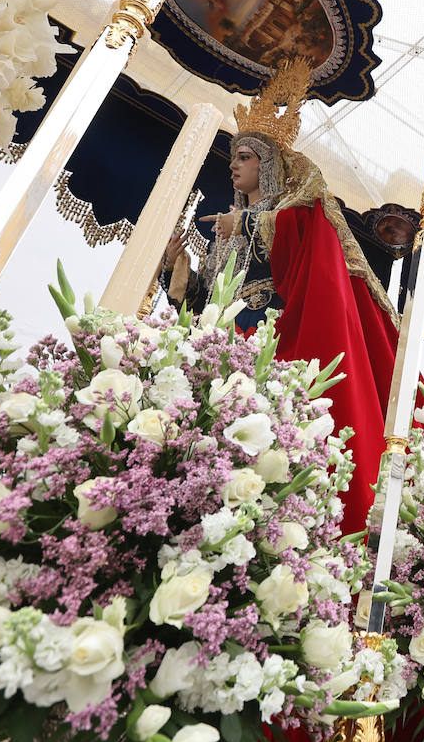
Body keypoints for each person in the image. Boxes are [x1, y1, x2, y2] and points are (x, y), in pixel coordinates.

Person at [161, 58, 398, 536]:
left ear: (267, 164)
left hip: (272, 339)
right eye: (234, 156)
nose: (233, 164)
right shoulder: (224, 231)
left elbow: (308, 234)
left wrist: (249, 223)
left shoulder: (289, 211)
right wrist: (179, 271)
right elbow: (207, 306)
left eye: (245, 156)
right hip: (223, 346)